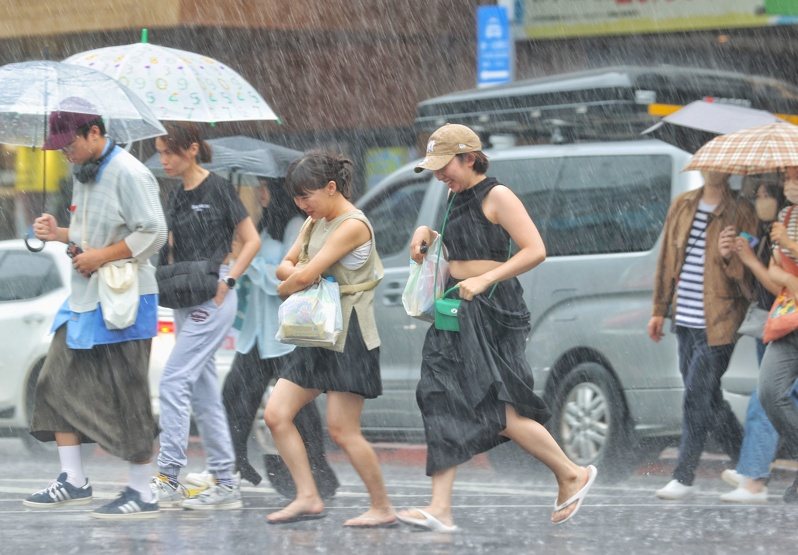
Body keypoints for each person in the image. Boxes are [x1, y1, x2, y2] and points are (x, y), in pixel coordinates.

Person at [397, 123, 597, 531]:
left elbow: (536, 249)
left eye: (444, 165)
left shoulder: (497, 195)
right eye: (433, 167)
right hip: (455, 305)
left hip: (491, 307)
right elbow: (464, 244)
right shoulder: (455, 196)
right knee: (438, 394)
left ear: (469, 158)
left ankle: (571, 472)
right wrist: (427, 236)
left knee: (497, 408)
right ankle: (440, 508)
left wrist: (485, 280)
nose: (439, 174)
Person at [24, 106, 167, 519]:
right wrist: (59, 234)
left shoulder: (130, 172)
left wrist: (101, 256)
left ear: (94, 133)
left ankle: (143, 491)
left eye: (69, 144)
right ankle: (73, 480)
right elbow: (93, 233)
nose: (64, 153)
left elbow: (154, 232)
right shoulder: (84, 171)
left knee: (128, 392)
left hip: (125, 299)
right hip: (84, 299)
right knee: (53, 382)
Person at [263, 151, 396, 527]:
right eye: (297, 199)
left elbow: (298, 276)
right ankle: (307, 496)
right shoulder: (313, 221)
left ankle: (382, 506)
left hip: (350, 333)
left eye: (308, 196)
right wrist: (295, 277)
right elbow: (283, 266)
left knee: (342, 429)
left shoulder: (353, 225)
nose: (302, 205)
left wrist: (292, 282)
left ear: (331, 187)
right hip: (316, 331)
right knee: (276, 415)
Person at [185, 178, 339, 498]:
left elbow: (282, 281)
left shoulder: (297, 224)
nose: (259, 193)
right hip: (257, 336)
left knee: (298, 410)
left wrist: (249, 257)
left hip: (284, 336)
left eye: (265, 187)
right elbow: (253, 281)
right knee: (235, 400)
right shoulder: (265, 226)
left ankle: (316, 474)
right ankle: (229, 467)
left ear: (279, 190)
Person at [151, 122, 261, 510]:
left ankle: (168, 476)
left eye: (169, 152)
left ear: (192, 149)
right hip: (184, 296)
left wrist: (228, 280)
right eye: (160, 152)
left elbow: (252, 241)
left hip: (212, 297)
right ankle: (226, 481)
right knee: (203, 393)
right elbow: (166, 245)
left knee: (174, 381)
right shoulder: (175, 195)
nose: (163, 160)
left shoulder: (218, 188)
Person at [648, 170, 757, 500]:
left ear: (729, 171)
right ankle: (747, 464)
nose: (713, 170)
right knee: (710, 398)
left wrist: (729, 257)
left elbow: (748, 278)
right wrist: (659, 308)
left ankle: (683, 476)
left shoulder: (743, 212)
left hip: (721, 321)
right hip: (685, 318)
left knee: (696, 395)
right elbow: (667, 258)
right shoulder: (682, 205)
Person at [719, 180, 785, 503]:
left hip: (786, 324)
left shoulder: (785, 231)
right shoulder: (767, 232)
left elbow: (779, 285)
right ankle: (753, 470)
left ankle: (754, 476)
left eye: (766, 195)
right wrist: (733, 256)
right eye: (756, 196)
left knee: (767, 398)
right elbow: (753, 291)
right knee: (770, 399)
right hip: (768, 323)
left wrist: (753, 262)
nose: (760, 202)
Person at [758, 166, 798, 504]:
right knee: (770, 391)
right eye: (787, 178)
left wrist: (789, 245)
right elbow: (775, 274)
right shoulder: (785, 215)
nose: (790, 184)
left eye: (796, 177)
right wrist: (788, 280)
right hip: (790, 320)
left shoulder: (786, 229)